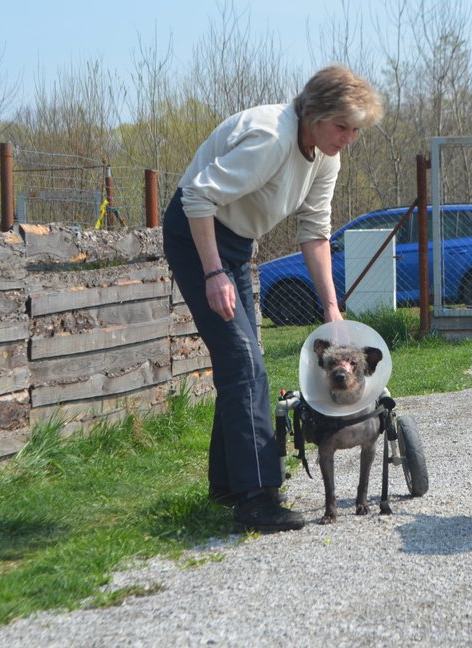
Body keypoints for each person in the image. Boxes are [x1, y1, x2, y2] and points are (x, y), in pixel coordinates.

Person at [162, 65, 384, 533]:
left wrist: (331, 309)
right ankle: (257, 499)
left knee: (244, 362)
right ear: (316, 114)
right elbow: (196, 197)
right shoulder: (271, 138)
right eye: (343, 126)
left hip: (237, 245)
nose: (349, 138)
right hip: (197, 235)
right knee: (244, 363)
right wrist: (214, 271)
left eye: (356, 130)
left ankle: (226, 486)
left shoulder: (326, 155)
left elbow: (315, 232)